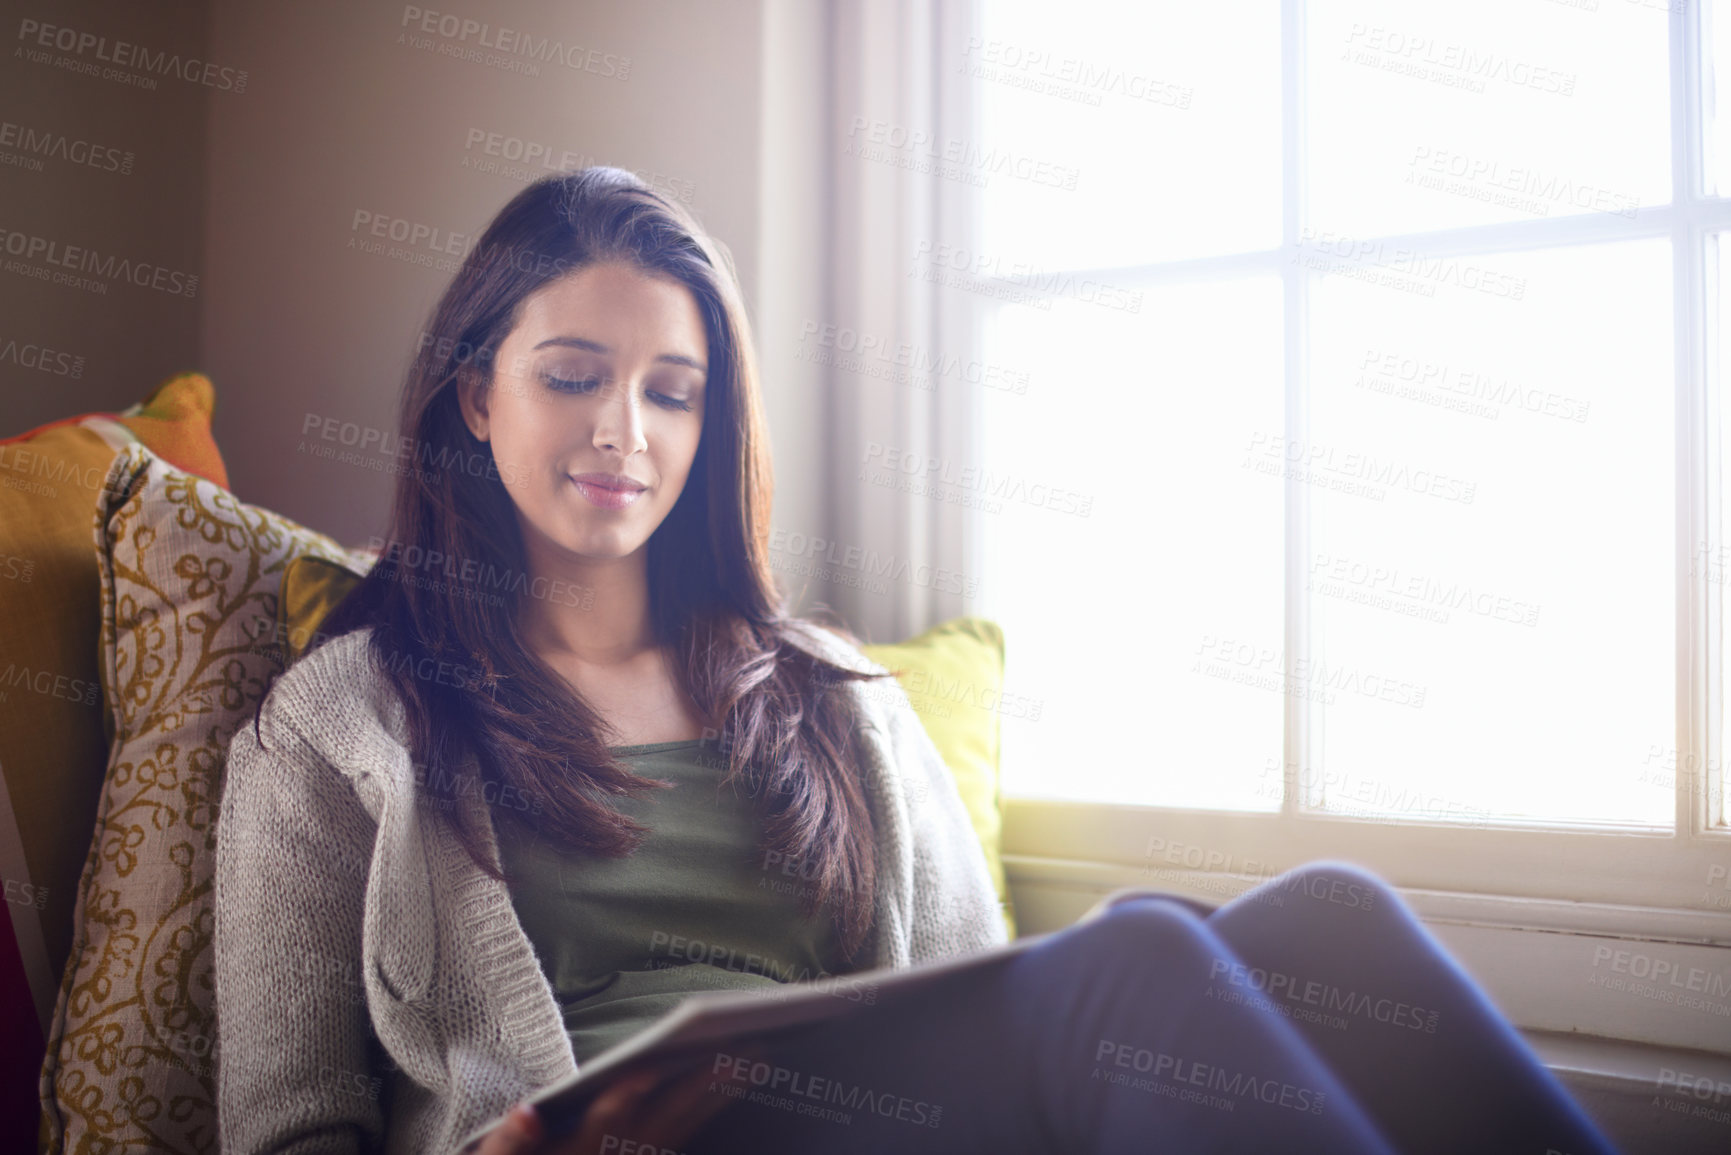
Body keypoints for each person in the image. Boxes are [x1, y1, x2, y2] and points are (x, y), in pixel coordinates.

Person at [213, 167, 1619, 1155]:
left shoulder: (831, 700)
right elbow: (277, 1134)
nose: (623, 431)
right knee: (1139, 958)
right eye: (572, 374)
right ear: (475, 392)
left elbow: (974, 1005)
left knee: (1330, 920)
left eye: (672, 391)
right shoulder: (342, 730)